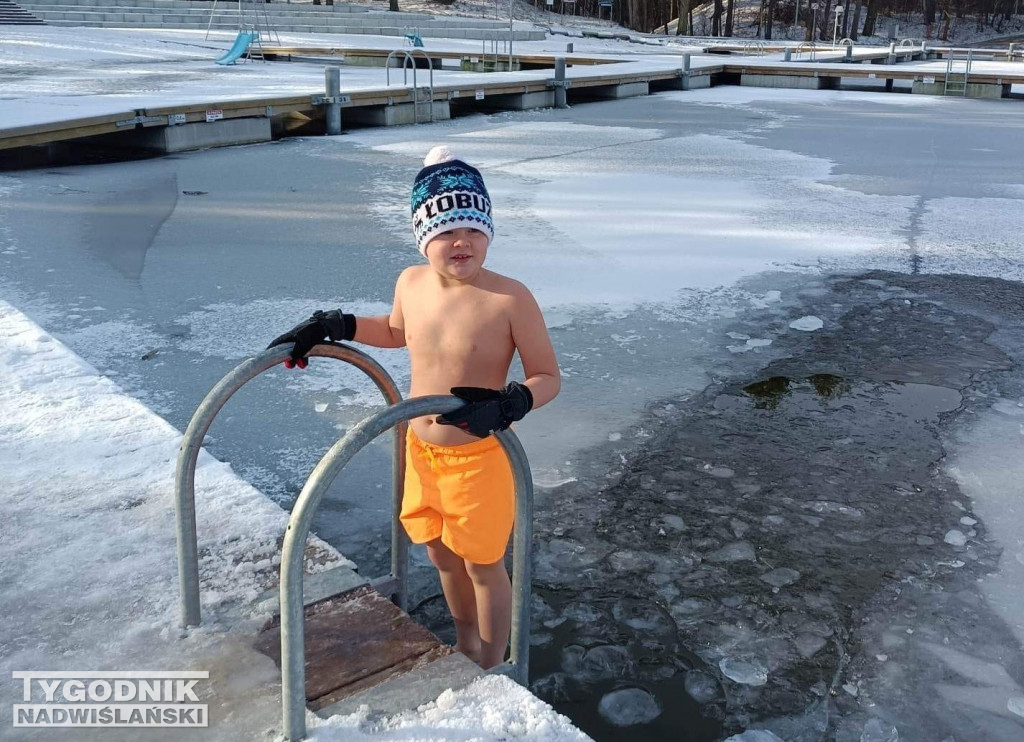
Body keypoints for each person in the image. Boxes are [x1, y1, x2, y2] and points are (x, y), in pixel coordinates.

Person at [267, 145, 560, 670]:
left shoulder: (510, 299)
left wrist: (511, 402)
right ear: (423, 236)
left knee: (483, 563)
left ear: (488, 230)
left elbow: (548, 376)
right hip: (421, 452)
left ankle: (493, 661)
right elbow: (398, 331)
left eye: (472, 227)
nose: (460, 241)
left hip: (478, 456)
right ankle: (467, 641)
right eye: (445, 230)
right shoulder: (411, 281)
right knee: (441, 556)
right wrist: (336, 326)